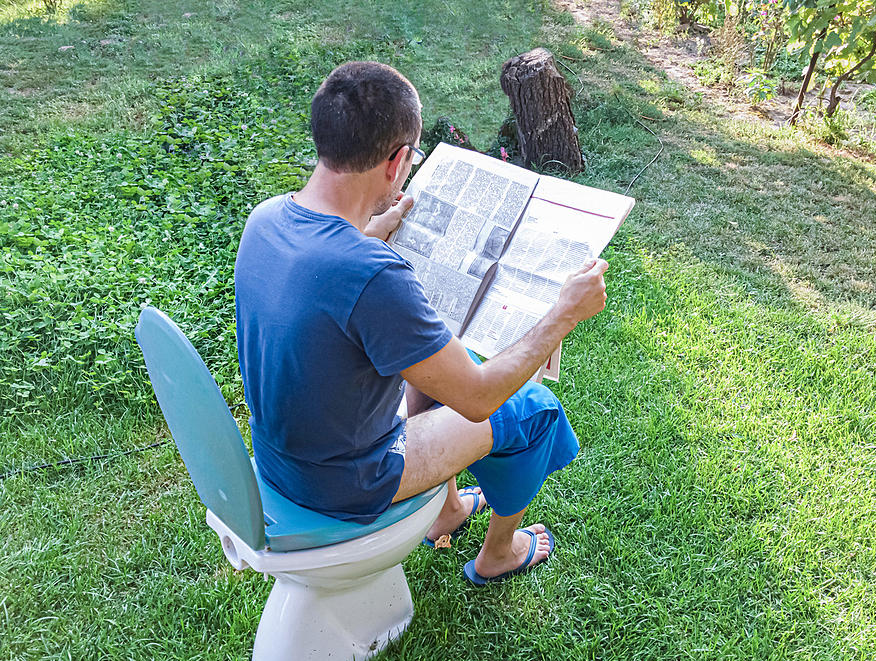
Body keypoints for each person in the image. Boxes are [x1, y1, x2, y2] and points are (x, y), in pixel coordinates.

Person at [234, 61, 609, 585]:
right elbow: (478, 399)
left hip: (282, 463)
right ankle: (498, 555)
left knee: (433, 365)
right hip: (351, 483)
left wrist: (371, 230)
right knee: (535, 410)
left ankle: (449, 511)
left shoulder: (267, 218)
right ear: (397, 161)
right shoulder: (371, 277)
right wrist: (562, 315)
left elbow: (328, 279)